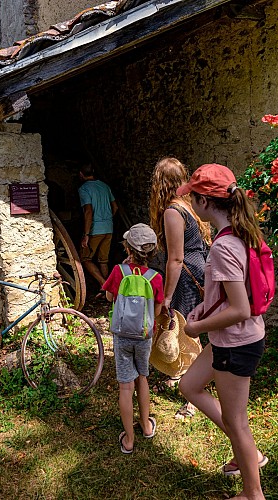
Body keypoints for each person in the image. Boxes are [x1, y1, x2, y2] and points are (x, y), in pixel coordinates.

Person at [177, 163, 267, 500]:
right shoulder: (236, 234)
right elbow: (231, 295)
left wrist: (196, 325)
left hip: (236, 343)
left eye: (192, 198)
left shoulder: (224, 247)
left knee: (238, 422)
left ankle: (252, 493)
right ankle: (247, 454)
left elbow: (240, 308)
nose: (190, 204)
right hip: (232, 338)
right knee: (189, 385)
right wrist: (205, 306)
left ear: (204, 201)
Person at [149, 157, 211, 419]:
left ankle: (194, 398)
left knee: (189, 330)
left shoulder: (173, 211)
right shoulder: (188, 206)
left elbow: (176, 258)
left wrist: (167, 296)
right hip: (199, 268)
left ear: (160, 184)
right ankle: (182, 375)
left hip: (187, 274)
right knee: (191, 330)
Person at [102, 224, 164, 454]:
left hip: (122, 335)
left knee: (126, 387)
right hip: (144, 336)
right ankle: (146, 426)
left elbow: (109, 296)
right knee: (143, 378)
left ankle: (129, 439)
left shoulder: (119, 271)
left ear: (128, 247)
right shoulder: (156, 277)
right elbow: (157, 312)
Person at [78, 163, 118, 296]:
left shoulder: (84, 189)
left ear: (81, 174)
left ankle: (104, 284)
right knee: (103, 260)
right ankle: (107, 290)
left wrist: (86, 234)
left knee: (85, 258)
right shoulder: (104, 186)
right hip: (108, 227)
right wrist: (106, 219)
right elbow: (115, 207)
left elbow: (88, 211)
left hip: (95, 229)